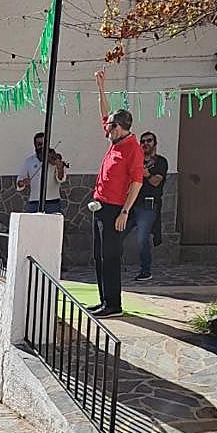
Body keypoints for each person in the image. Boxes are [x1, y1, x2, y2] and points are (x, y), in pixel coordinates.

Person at [90, 70, 144, 319]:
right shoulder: (115, 141)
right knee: (99, 256)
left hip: (114, 209)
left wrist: (125, 211)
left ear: (120, 128)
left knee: (111, 257)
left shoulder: (132, 147)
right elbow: (104, 111)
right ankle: (103, 300)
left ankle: (114, 305)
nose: (106, 128)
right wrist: (101, 87)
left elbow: (136, 182)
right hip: (100, 206)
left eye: (110, 126)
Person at [123, 131, 168, 282]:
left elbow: (156, 181)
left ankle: (146, 270)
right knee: (117, 233)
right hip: (131, 204)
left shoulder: (161, 162)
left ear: (155, 143)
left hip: (148, 205)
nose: (145, 144)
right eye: (142, 142)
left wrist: (146, 173)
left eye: (149, 141)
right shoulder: (136, 160)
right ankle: (115, 264)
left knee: (142, 238)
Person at [15, 132, 67, 214]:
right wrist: (23, 182)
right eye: (39, 144)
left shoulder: (54, 158)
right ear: (35, 145)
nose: (42, 147)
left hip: (52, 201)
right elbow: (19, 182)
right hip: (34, 201)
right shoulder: (29, 161)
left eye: (44, 144)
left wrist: (60, 168)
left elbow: (61, 179)